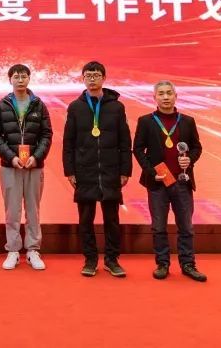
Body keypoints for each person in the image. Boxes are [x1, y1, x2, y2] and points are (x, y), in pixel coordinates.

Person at [133, 80, 207, 282]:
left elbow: (197, 147)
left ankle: (188, 264)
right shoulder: (146, 121)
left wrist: (189, 159)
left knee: (186, 227)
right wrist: (151, 173)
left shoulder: (187, 121)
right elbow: (138, 149)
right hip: (158, 182)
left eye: (169, 93)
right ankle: (162, 263)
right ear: (154, 98)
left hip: (182, 181)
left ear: (176, 96)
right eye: (161, 94)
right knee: (159, 227)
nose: (165, 97)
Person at [63, 61, 131, 278]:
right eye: (88, 75)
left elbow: (125, 142)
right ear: (83, 79)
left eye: (96, 75)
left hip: (111, 171)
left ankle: (112, 260)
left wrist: (125, 171)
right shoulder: (75, 107)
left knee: (112, 220)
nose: (92, 79)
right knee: (86, 220)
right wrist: (70, 171)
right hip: (85, 171)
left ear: (104, 78)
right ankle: (90, 259)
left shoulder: (117, 107)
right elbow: (68, 142)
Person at [0, 64, 53, 270]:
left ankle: (33, 249)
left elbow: (46, 134)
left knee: (33, 210)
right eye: (16, 76)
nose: (20, 80)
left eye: (23, 76)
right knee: (12, 210)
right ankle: (13, 250)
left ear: (29, 79)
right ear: (10, 80)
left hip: (34, 166)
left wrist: (37, 156)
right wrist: (11, 158)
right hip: (10, 166)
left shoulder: (39, 105)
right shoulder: (2, 106)